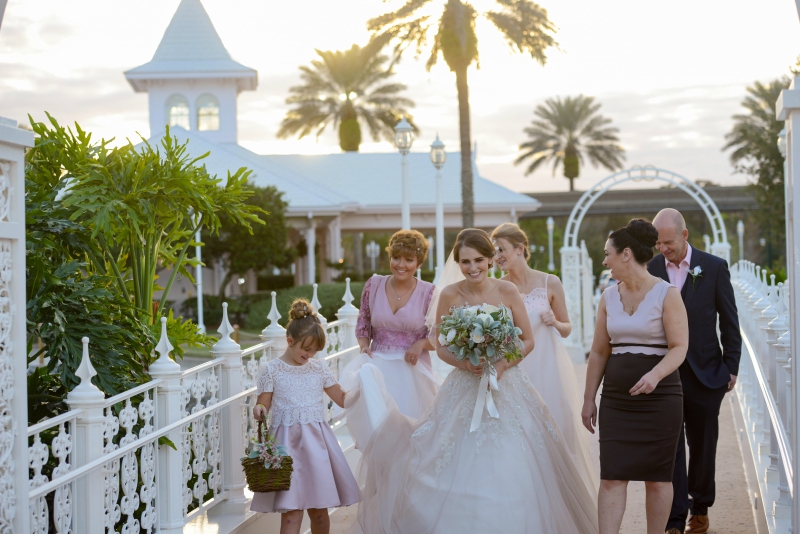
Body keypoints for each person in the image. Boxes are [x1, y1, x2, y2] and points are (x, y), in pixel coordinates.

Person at [343, 229, 599, 534]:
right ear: (458, 262)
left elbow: (527, 341)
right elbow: (440, 344)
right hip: (464, 383)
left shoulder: (507, 291)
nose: (472, 267)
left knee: (515, 460)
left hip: (507, 384)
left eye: (479, 259)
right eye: (465, 262)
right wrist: (464, 361)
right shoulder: (450, 295)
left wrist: (502, 365)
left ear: (491, 259)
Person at [582, 218, 689, 534]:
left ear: (626, 254)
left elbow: (679, 347)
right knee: (612, 476)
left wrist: (655, 375)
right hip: (617, 401)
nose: (604, 261)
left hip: (661, 399)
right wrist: (589, 399)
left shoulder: (667, 295)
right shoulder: (608, 297)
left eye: (607, 254)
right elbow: (600, 352)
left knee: (658, 479)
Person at [648, 208, 741, 534]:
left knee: (703, 445)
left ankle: (700, 509)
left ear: (684, 235)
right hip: (667, 375)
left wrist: (731, 367)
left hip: (707, 374)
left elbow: (730, 320)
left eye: (668, 242)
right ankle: (674, 520)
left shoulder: (714, 267)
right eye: (658, 243)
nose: (663, 249)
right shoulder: (651, 268)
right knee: (670, 447)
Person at [492, 222, 597, 493]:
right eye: (494, 251)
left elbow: (567, 328)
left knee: (554, 431)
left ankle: (557, 495)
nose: (497, 255)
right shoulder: (498, 287)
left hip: (548, 370)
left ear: (520, 249)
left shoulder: (550, 282)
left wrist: (554, 321)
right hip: (515, 370)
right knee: (517, 435)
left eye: (501, 249)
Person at [251, 299, 360, 534]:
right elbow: (263, 403)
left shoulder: (318, 368)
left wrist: (362, 390)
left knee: (320, 511)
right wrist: (259, 410)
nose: (310, 355)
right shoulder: (272, 370)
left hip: (317, 446)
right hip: (286, 448)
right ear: (290, 342)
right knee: (292, 513)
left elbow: (341, 398)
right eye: (306, 349)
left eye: (314, 351)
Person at [341, 229, 440, 419]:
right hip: (377, 370)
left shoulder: (429, 293)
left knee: (410, 427)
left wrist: (420, 344)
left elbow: (438, 337)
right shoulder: (374, 284)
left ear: (419, 263)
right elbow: (363, 322)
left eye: (409, 260)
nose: (401, 265)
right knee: (378, 423)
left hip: (413, 373)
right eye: (396, 258)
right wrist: (363, 347)